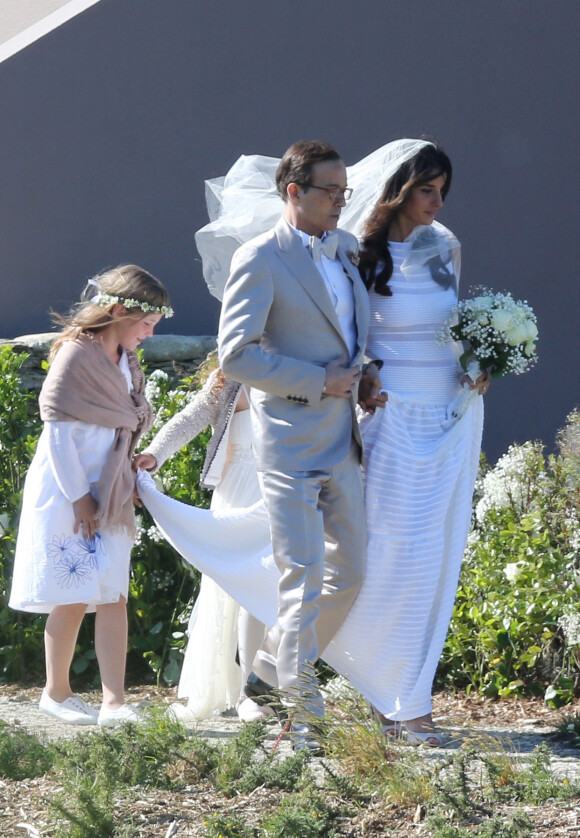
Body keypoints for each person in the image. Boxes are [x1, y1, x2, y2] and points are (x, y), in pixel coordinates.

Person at [322, 138, 487, 745]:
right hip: (389, 419)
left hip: (449, 415)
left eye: (443, 190)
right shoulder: (355, 253)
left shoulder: (446, 246)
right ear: (397, 189)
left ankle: (411, 701)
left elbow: (456, 328)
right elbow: (343, 336)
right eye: (426, 188)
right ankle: (377, 693)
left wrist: (479, 363)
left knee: (434, 557)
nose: (436, 202)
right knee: (388, 556)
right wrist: (362, 377)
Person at [217, 140, 370, 748]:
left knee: (352, 571)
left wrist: (367, 380)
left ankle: (267, 670)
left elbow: (351, 333)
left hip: (343, 436)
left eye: (343, 192)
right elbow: (236, 355)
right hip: (287, 441)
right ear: (293, 192)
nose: (339, 202)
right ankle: (303, 716)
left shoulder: (348, 251)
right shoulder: (260, 257)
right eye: (330, 191)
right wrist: (319, 382)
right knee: (301, 575)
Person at [9, 265, 172, 727]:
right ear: (118, 310)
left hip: (110, 488)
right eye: (145, 323)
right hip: (69, 488)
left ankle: (114, 701)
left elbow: (126, 422)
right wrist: (80, 497)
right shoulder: (76, 355)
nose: (149, 332)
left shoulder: (127, 361)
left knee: (113, 592)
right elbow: (58, 429)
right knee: (74, 590)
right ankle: (56, 692)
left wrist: (130, 469)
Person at [133, 362, 271, 723]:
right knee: (240, 589)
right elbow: (191, 418)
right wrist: (157, 453)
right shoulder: (228, 377)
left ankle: (273, 684)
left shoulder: (299, 367)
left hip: (278, 491)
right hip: (237, 491)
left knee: (273, 585)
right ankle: (246, 692)